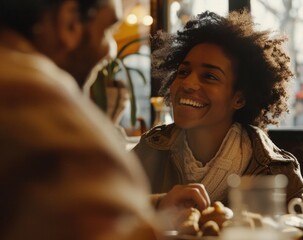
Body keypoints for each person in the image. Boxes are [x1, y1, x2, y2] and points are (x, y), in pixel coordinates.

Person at [0, 0, 210, 239]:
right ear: (70, 21)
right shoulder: (34, 99)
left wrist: (154, 207)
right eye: (108, 29)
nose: (110, 50)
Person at [134, 10, 303, 205]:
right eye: (183, 72)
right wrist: (159, 203)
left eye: (210, 76)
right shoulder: (150, 150)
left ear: (239, 99)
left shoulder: (276, 171)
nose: (187, 83)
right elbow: (103, 211)